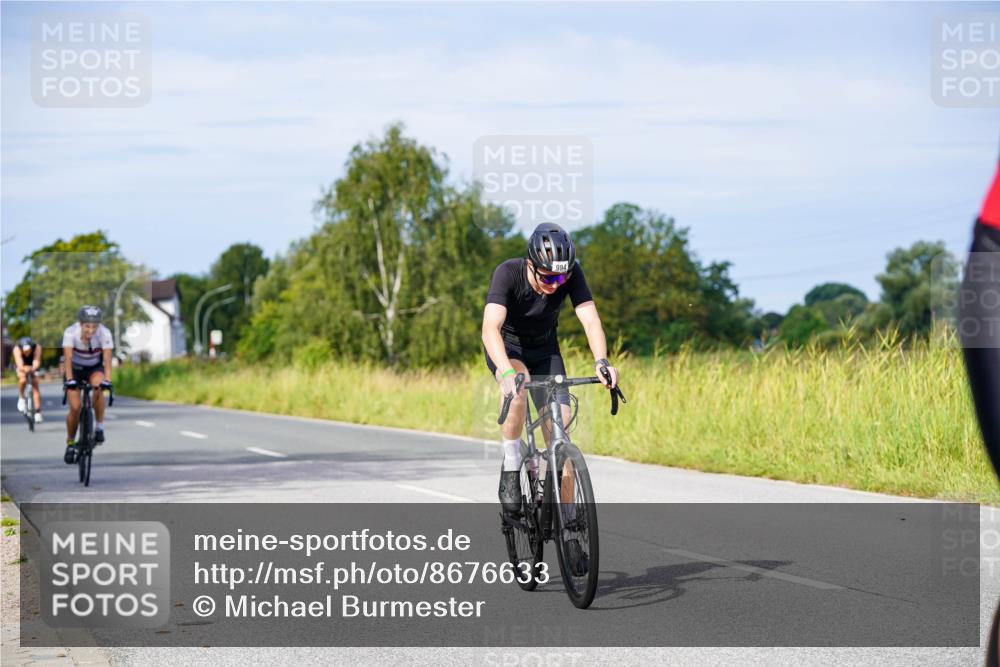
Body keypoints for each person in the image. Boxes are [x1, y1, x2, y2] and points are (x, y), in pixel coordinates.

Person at [482, 222, 620, 514]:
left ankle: (568, 525)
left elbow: (590, 320)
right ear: (531, 264)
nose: (555, 284)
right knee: (518, 388)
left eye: (561, 276)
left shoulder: (570, 273)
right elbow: (489, 328)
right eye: (548, 276)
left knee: (561, 430)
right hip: (509, 348)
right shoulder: (507, 273)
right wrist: (506, 373)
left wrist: (602, 361)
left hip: (545, 350)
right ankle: (511, 464)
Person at [61, 305, 114, 464]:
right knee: (76, 407)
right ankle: (70, 442)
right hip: (75, 369)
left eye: (94, 326)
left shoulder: (104, 333)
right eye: (87, 326)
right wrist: (70, 380)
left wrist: (108, 380)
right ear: (80, 323)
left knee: (99, 385)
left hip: (94, 368)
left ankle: (99, 427)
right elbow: (68, 359)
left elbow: (107, 359)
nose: (91, 330)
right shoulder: (70, 332)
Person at [13, 336, 42, 423]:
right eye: (25, 351)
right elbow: (19, 362)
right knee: (22, 380)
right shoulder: (17, 348)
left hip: (33, 366)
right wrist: (23, 368)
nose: (27, 352)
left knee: (35, 383)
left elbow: (36, 361)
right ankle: (21, 398)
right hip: (22, 366)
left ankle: (38, 412)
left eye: (28, 350)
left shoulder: (37, 347)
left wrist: (33, 368)